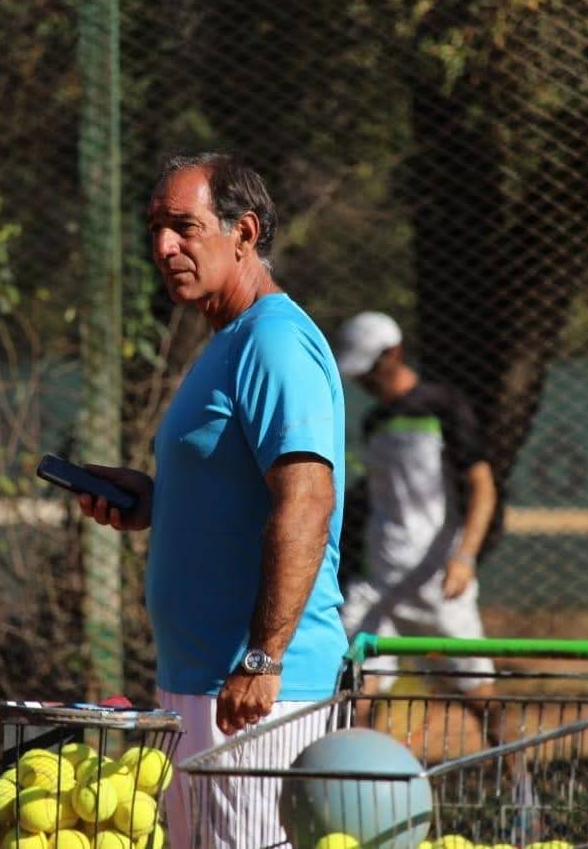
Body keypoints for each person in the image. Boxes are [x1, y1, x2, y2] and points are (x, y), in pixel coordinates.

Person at [77, 152, 347, 848]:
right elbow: (241, 493)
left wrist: (262, 659)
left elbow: (307, 502)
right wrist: (158, 503)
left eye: (184, 227)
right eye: (155, 229)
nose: (164, 246)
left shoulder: (274, 341)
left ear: (244, 233)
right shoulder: (231, 340)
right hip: (207, 685)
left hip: (257, 696)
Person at [331, 311, 500, 740]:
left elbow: (482, 487)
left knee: (480, 696)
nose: (363, 380)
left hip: (435, 581)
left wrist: (464, 558)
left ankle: (519, 779)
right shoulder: (373, 422)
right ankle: (355, 779)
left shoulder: (444, 407)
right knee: (355, 687)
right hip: (376, 582)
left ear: (394, 353)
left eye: (369, 368)